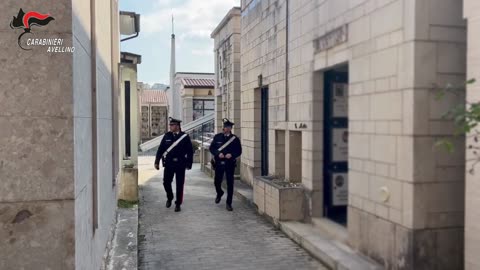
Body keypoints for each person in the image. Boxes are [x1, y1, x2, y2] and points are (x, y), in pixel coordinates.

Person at [154, 117, 193, 212]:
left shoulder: (185, 137)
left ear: (177, 126)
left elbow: (190, 151)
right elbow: (160, 149)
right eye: (170, 125)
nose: (170, 126)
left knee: (180, 184)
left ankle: (178, 203)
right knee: (166, 182)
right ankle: (170, 196)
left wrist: (189, 163)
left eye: (172, 125)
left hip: (180, 163)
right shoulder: (167, 136)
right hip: (169, 163)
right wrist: (157, 161)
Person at [209, 118, 242, 211]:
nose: (226, 128)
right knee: (217, 182)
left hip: (229, 163)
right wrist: (217, 153)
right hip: (219, 163)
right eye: (225, 127)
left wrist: (231, 154)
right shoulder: (217, 137)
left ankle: (229, 203)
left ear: (231, 128)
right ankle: (219, 193)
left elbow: (239, 151)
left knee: (230, 183)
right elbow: (212, 148)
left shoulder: (235, 139)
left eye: (228, 127)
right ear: (223, 127)